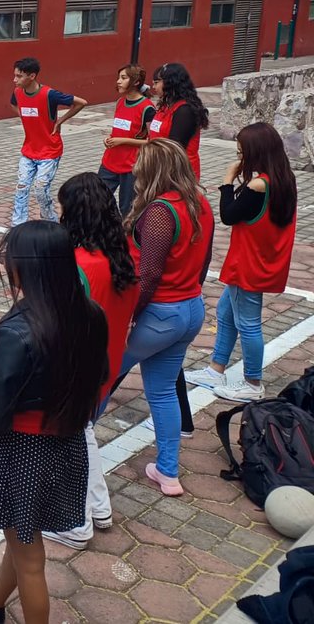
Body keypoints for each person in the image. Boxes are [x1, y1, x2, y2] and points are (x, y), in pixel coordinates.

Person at [0, 221, 107, 624]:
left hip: (25, 451)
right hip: (68, 442)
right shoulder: (90, 314)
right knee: (21, 538)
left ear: (27, 268)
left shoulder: (17, 331)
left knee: (30, 556)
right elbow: (100, 375)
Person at [41, 173, 138, 551]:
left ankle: (75, 525)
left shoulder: (78, 264)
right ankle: (99, 507)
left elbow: (59, 325)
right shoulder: (124, 254)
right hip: (106, 363)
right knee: (83, 434)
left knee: (67, 443)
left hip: (74, 370)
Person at [118, 139, 213, 496]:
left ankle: (71, 454)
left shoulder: (161, 210)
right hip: (189, 308)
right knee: (162, 392)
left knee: (100, 377)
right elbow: (202, 261)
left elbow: (150, 273)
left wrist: (130, 317)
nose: (134, 172)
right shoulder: (199, 203)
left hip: (160, 312)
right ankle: (168, 472)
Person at [186, 122, 297, 403]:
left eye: (242, 152)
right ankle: (216, 369)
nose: (239, 158)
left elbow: (229, 215)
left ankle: (252, 382)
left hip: (247, 263)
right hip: (261, 259)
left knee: (248, 323)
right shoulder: (283, 178)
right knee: (225, 313)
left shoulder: (259, 184)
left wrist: (227, 180)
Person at [10, 58, 86, 226]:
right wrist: (23, 115)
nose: (15, 80)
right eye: (14, 75)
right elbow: (14, 104)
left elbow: (81, 103)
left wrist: (60, 121)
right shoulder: (17, 92)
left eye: (19, 76)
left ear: (32, 76)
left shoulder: (49, 94)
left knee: (40, 188)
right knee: (22, 186)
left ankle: (50, 220)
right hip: (29, 150)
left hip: (49, 152)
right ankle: (17, 225)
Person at [98, 64, 155, 216]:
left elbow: (153, 141)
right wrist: (109, 139)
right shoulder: (120, 102)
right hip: (110, 161)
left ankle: (126, 237)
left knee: (127, 209)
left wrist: (123, 141)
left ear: (136, 82)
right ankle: (113, 228)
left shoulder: (147, 108)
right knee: (98, 198)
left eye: (123, 78)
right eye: (118, 78)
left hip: (132, 167)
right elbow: (119, 130)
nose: (118, 81)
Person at [147, 62, 207, 181]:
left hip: (177, 173)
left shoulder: (185, 110)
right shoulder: (165, 106)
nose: (153, 87)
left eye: (156, 82)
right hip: (159, 167)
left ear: (170, 82)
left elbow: (175, 147)